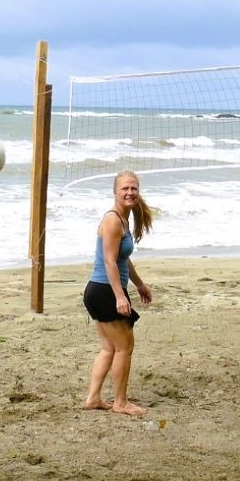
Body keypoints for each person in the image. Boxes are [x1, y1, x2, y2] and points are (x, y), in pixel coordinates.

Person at [82, 169, 156, 416]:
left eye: (133, 188)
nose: (130, 192)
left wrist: (139, 284)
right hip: (104, 290)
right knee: (125, 347)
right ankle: (120, 402)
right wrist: (120, 296)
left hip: (99, 290)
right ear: (114, 192)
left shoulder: (123, 220)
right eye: (125, 188)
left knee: (109, 348)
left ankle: (93, 398)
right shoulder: (113, 220)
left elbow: (123, 261)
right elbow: (109, 262)